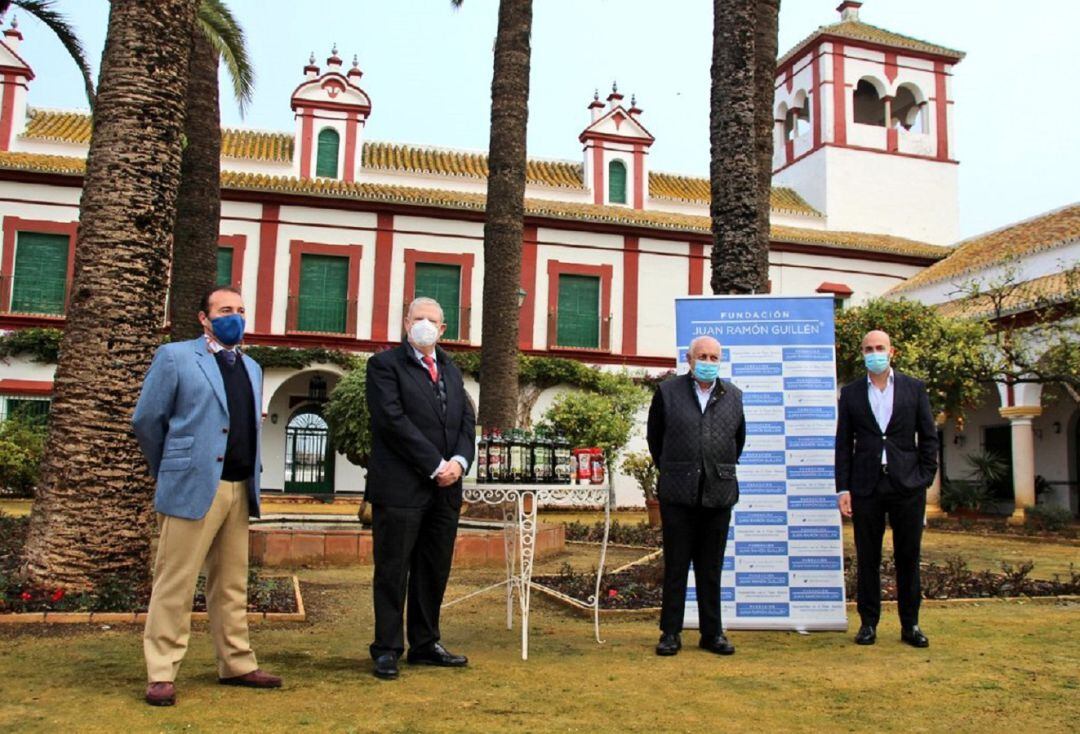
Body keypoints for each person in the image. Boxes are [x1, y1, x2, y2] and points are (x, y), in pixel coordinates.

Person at [132, 285, 281, 706]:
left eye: (240, 310)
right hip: (192, 487)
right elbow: (147, 419)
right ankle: (161, 670)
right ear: (204, 318)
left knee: (231, 583)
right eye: (224, 310)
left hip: (239, 488)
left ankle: (236, 662)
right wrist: (171, 468)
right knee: (174, 583)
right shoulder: (176, 357)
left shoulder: (252, 367)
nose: (234, 317)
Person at [365, 297, 476, 680]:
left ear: (443, 329)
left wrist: (459, 463)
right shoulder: (383, 366)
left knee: (433, 569)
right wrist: (434, 464)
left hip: (445, 491)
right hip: (401, 488)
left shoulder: (452, 369)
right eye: (419, 318)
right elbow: (391, 421)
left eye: (433, 319)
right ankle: (387, 648)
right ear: (405, 322)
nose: (425, 324)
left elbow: (466, 422)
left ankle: (426, 644)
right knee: (393, 569)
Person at [836, 330, 939, 648]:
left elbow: (929, 435)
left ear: (891, 352)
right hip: (866, 485)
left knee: (908, 556)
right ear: (862, 353)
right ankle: (868, 624)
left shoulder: (914, 388)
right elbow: (843, 443)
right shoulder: (851, 393)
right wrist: (843, 489)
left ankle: (911, 625)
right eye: (868, 349)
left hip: (907, 484)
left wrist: (924, 476)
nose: (874, 353)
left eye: (879, 348)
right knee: (867, 557)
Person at [646, 335, 745, 657]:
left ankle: (712, 633)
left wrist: (714, 469)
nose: (708, 362)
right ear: (689, 360)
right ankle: (670, 633)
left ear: (721, 361)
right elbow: (655, 439)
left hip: (718, 493)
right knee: (676, 566)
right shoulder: (668, 392)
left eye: (714, 357)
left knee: (710, 567)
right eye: (702, 356)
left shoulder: (734, 396)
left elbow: (737, 442)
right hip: (678, 493)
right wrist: (677, 469)